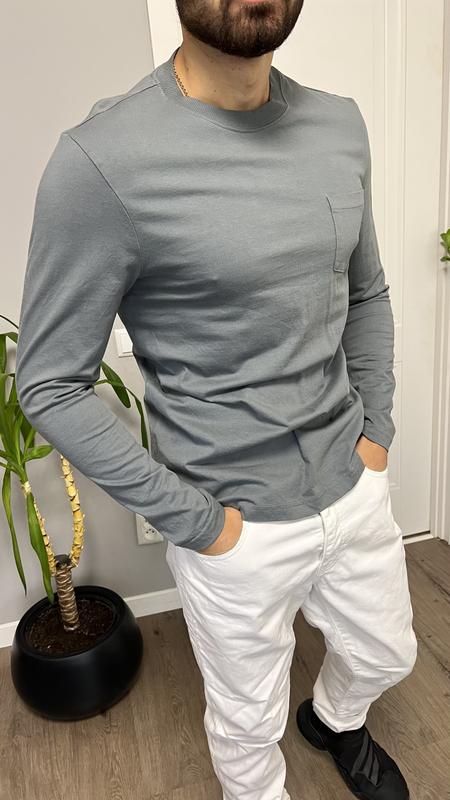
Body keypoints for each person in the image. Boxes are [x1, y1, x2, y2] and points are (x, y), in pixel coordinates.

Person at [15, 1, 418, 798]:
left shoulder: (339, 124)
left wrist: (376, 430)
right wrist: (201, 523)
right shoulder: (102, 160)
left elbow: (366, 292)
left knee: (387, 653)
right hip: (232, 524)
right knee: (246, 720)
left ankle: (335, 721)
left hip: (353, 482)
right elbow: (50, 382)